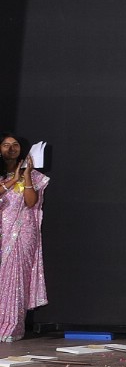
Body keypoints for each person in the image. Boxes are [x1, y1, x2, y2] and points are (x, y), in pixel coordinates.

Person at [0, 133, 49, 342]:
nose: (11, 148)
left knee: (17, 278)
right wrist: (13, 180)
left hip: (23, 233)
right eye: (6, 145)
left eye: (15, 144)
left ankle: (12, 327)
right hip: (3, 231)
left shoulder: (35, 176)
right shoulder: (2, 176)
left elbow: (31, 203)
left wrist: (26, 175)